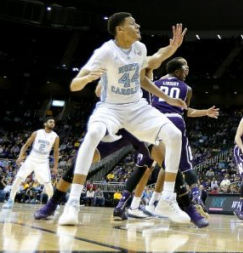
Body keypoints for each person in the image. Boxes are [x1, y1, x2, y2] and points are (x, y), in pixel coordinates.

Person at [36, 25, 186, 221]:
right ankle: (54, 203)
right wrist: (105, 80)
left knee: (168, 162)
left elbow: (158, 56)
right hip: (117, 124)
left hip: (140, 124)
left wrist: (172, 47)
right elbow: (98, 91)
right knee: (82, 163)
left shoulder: (144, 65)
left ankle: (182, 205)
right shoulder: (115, 65)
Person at [141, 56, 219, 224]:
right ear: (177, 71)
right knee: (183, 165)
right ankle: (195, 199)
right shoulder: (187, 88)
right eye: (185, 68)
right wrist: (205, 112)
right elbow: (186, 111)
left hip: (152, 122)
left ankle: (151, 202)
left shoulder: (157, 83)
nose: (187, 71)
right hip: (175, 122)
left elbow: (148, 78)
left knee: (162, 166)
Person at [3, 118, 59, 210]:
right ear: (45, 123)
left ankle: (52, 204)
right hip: (31, 159)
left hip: (43, 162)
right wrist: (20, 156)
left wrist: (55, 167)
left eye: (54, 122)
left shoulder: (55, 136)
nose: (53, 123)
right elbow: (26, 145)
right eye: (51, 121)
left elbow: (56, 152)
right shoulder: (37, 133)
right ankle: (10, 200)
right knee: (18, 178)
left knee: (47, 183)